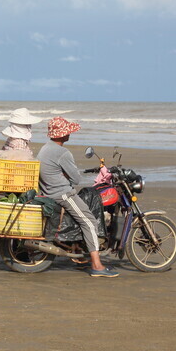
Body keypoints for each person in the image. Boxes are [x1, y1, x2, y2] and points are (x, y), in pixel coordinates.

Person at [37, 116, 118, 278]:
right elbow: (76, 179)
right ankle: (97, 265)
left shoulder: (45, 148)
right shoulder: (62, 152)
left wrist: (62, 173)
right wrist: (65, 175)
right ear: (61, 134)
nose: (69, 134)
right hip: (62, 194)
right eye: (67, 131)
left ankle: (82, 250)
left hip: (49, 191)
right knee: (90, 221)